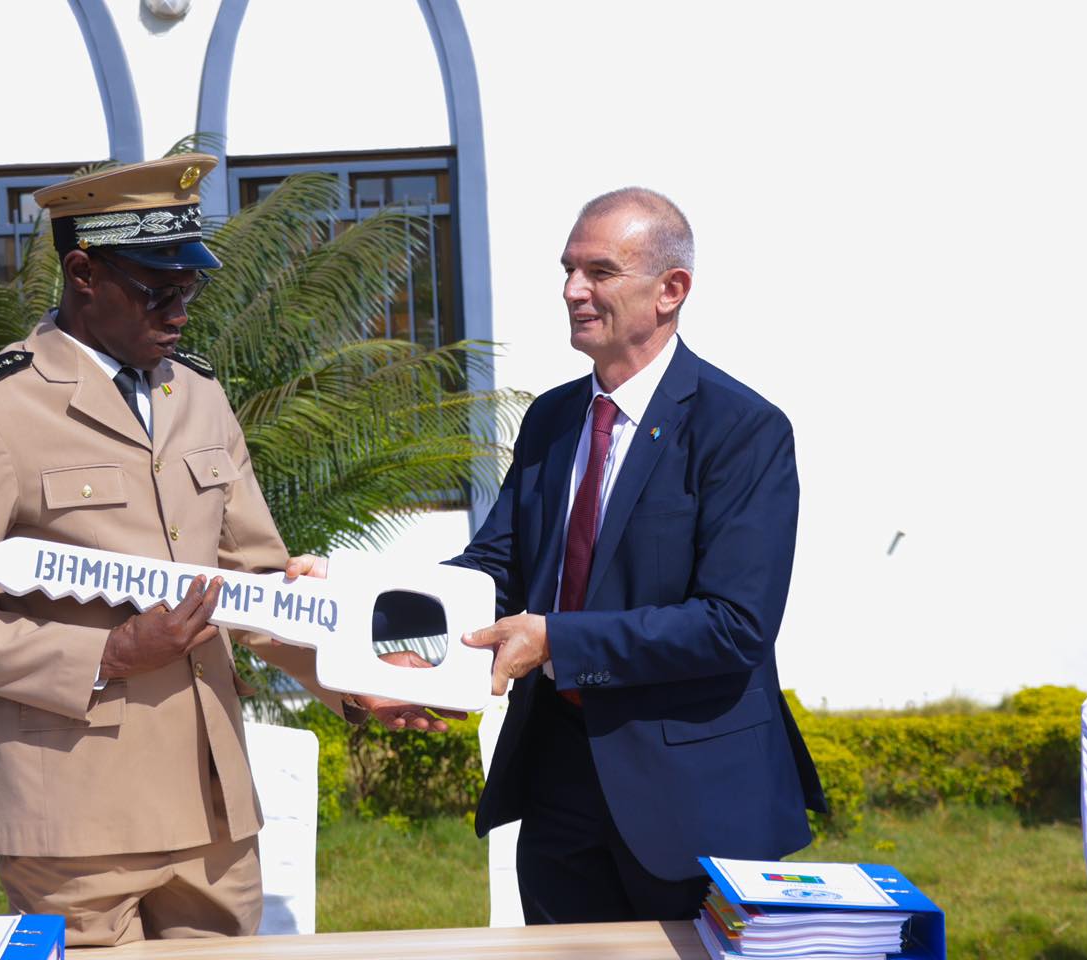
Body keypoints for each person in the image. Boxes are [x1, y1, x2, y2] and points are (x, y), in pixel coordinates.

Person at [0, 155, 446, 947]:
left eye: (191, 288)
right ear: (83, 273)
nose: (181, 310)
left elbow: (253, 589)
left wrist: (357, 684)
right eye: (159, 290)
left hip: (214, 813)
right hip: (77, 822)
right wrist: (106, 653)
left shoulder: (200, 396)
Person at [292, 187, 826, 922]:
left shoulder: (744, 431)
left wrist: (557, 640)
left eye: (599, 271)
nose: (573, 290)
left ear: (671, 290)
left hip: (692, 798)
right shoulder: (552, 419)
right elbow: (495, 570)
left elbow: (733, 625)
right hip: (559, 784)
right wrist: (356, 593)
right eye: (569, 270)